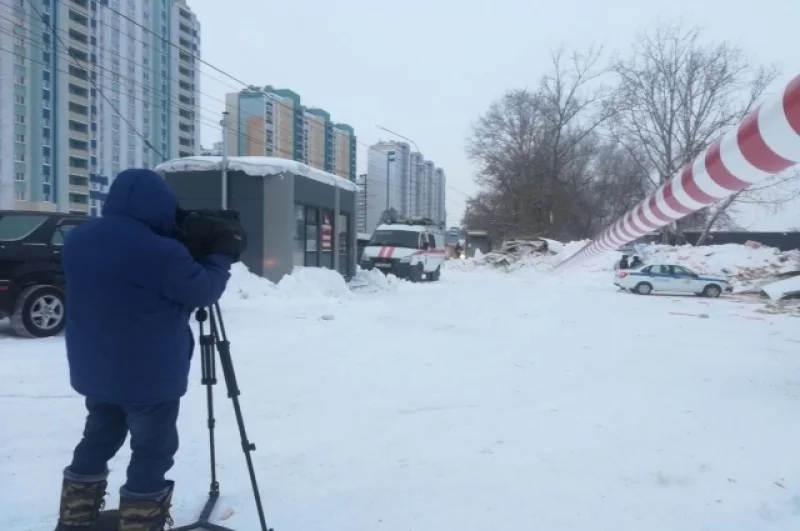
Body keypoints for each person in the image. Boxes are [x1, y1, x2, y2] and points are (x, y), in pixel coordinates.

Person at [54, 169, 246, 531]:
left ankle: (74, 519)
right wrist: (220, 254)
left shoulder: (79, 239)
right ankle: (140, 523)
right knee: (152, 451)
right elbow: (202, 289)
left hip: (94, 368)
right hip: (149, 376)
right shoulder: (159, 250)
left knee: (97, 437)